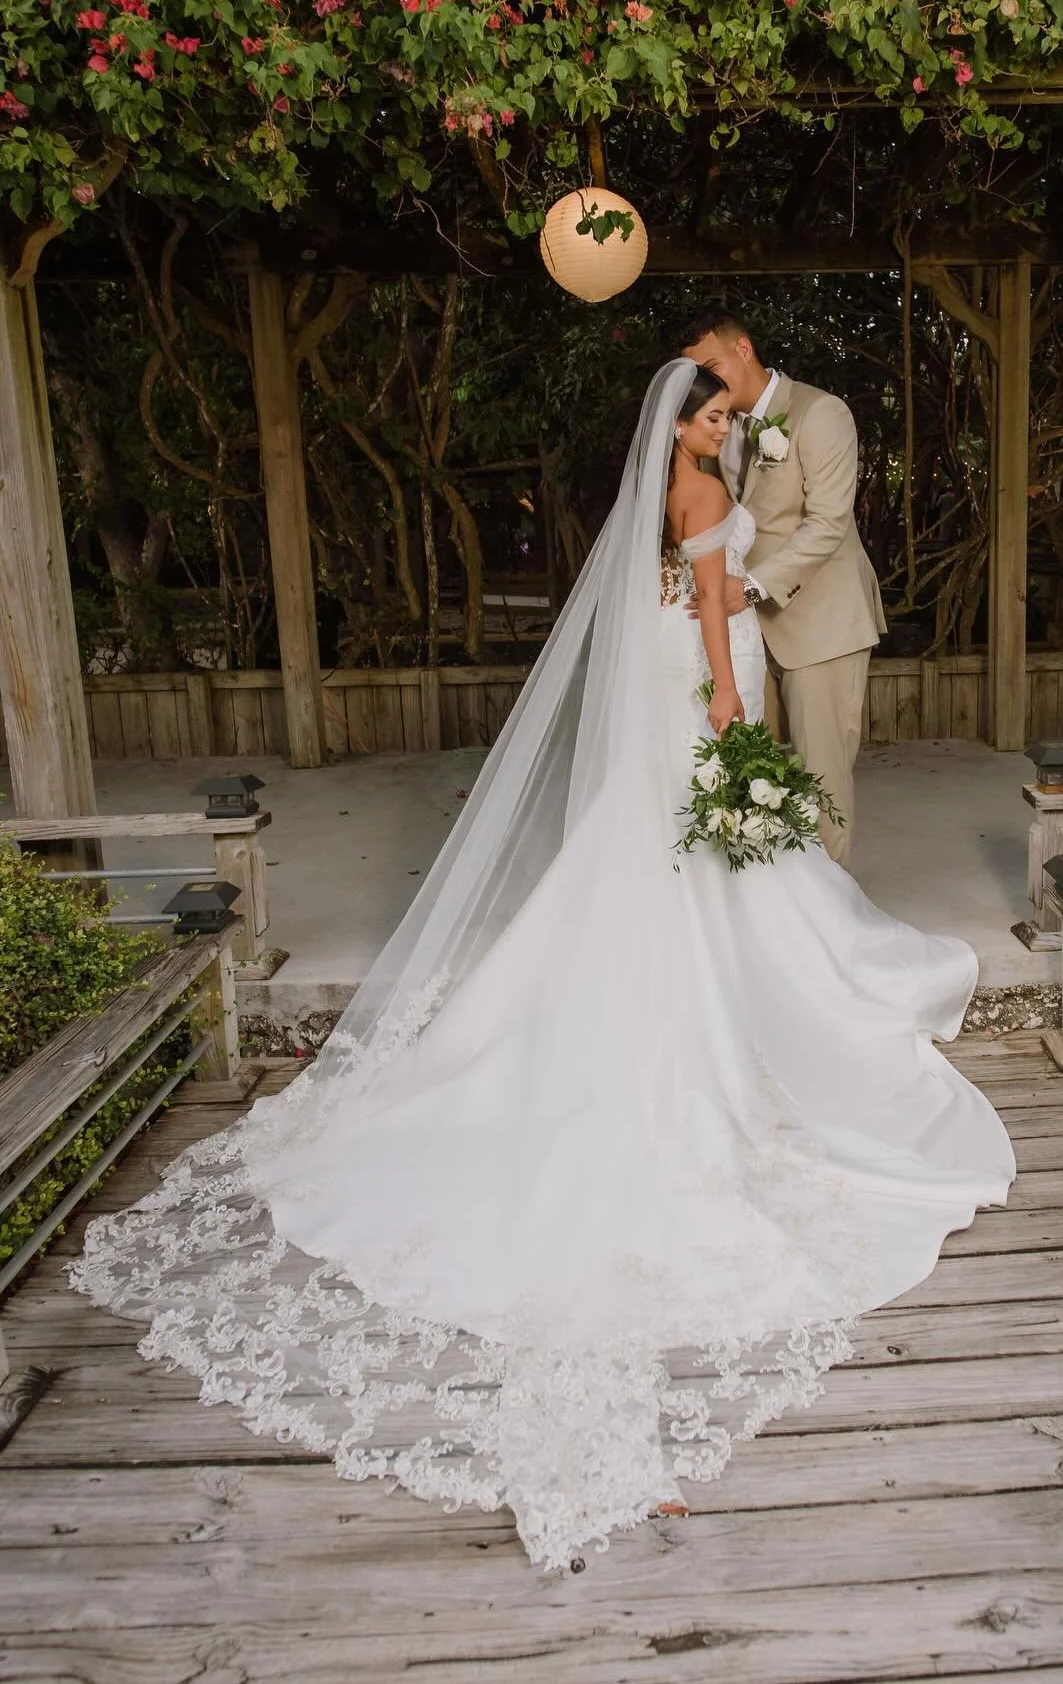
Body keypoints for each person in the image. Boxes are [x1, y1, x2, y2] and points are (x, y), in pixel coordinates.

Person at [70, 361, 1013, 1573]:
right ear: (678, 425)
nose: (730, 428)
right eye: (715, 416)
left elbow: (680, 599)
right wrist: (733, 726)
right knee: (724, 875)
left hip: (672, 701)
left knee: (659, 872)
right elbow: (717, 612)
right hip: (704, 701)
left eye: (731, 416)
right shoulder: (696, 495)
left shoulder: (671, 493)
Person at [681, 311, 885, 867]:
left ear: (744, 349)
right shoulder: (718, 428)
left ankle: (834, 926)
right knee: (759, 787)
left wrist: (744, 590)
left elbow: (827, 525)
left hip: (820, 624)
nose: (708, 379)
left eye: (712, 365)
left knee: (822, 787)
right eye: (696, 372)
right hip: (746, 635)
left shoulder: (821, 413)